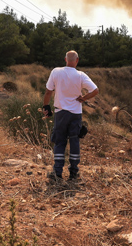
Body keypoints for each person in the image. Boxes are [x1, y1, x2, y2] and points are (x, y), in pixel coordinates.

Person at [42, 50, 99, 181]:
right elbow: (96, 90)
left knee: (59, 141)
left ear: (65, 59)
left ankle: (57, 173)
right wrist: (84, 98)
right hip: (75, 113)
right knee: (74, 141)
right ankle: (73, 173)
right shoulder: (81, 75)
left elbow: (48, 92)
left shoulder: (56, 71)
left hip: (61, 113)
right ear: (77, 60)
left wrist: (46, 107)